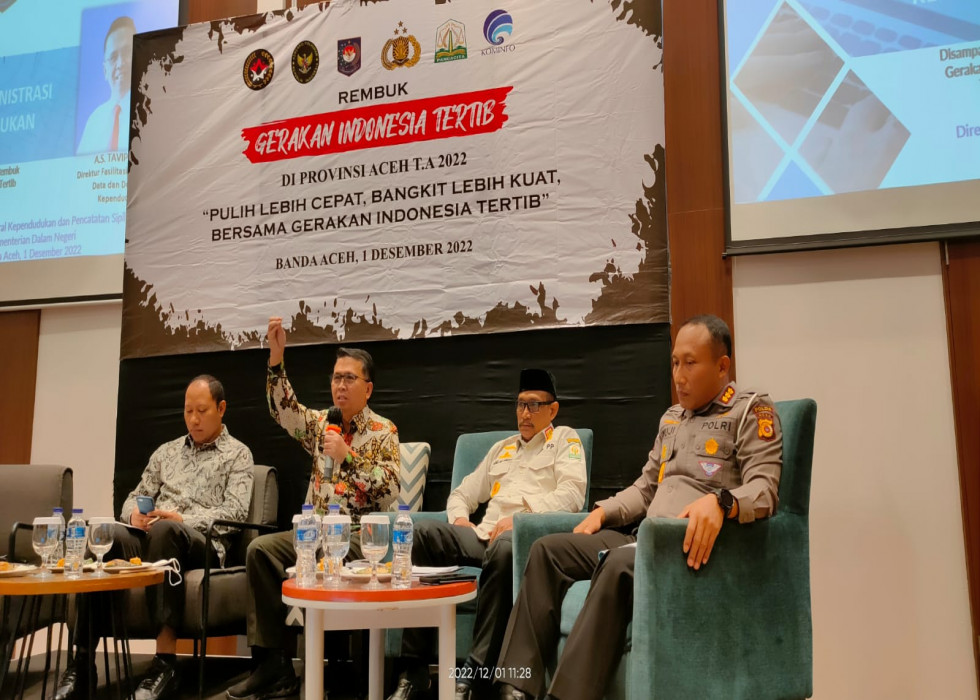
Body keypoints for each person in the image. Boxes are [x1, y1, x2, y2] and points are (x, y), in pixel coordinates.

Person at [495, 315, 783, 700]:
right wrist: (603, 512)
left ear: (722, 366)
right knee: (547, 551)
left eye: (690, 363)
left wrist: (722, 502)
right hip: (641, 538)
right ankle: (515, 689)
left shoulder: (749, 411)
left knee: (617, 564)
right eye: (675, 363)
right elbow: (646, 488)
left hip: (685, 546)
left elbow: (765, 490)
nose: (679, 375)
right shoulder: (672, 419)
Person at [227, 316, 400, 700]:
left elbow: (390, 491)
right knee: (261, 551)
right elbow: (284, 411)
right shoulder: (322, 424)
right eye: (336, 378)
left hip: (357, 539)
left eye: (349, 378)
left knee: (330, 554)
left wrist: (348, 456)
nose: (340, 385)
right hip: (314, 534)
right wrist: (276, 359)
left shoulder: (383, 431)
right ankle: (273, 666)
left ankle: (345, 673)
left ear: (368, 388)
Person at [388, 369, 588, 700]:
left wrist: (521, 519)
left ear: (552, 409)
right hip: (485, 536)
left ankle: (474, 675)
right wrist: (460, 519)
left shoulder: (565, 440)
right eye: (520, 404)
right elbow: (462, 493)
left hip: (525, 540)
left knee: (504, 547)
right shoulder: (502, 448)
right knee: (420, 534)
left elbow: (572, 496)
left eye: (534, 405)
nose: (525, 413)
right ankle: (414, 669)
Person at [55, 375, 255, 700]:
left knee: (166, 530)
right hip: (154, 535)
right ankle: (82, 664)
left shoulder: (238, 455)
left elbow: (235, 514)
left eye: (202, 411)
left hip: (203, 543)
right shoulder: (167, 452)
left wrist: (182, 520)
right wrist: (133, 515)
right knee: (103, 534)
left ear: (221, 409)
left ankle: (165, 663)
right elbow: (133, 498)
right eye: (188, 411)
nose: (193, 419)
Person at [77, 16, 135, 154]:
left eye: (127, 52)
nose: (120, 64)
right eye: (113, 57)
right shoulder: (95, 120)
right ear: (105, 71)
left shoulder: (148, 110)